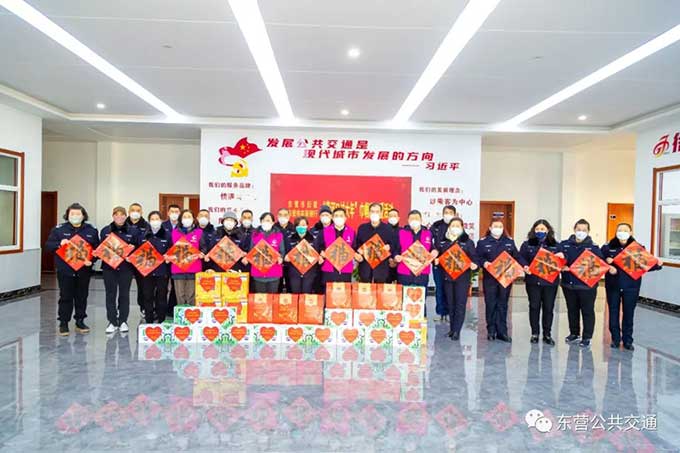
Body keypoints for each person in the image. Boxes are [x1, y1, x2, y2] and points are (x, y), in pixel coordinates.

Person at [601, 223, 663, 351]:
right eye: (620, 230)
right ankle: (615, 339)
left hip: (631, 286)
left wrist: (658, 264)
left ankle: (628, 340)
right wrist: (608, 265)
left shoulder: (637, 248)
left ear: (630, 232)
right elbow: (598, 262)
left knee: (629, 313)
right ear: (616, 232)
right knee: (613, 312)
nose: (622, 232)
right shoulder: (607, 247)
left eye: (625, 230)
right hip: (613, 286)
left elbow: (646, 265)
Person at [45, 203, 100, 336]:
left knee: (82, 296)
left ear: (83, 215)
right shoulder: (58, 230)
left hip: (84, 270)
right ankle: (63, 323)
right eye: (72, 214)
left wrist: (92, 260)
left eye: (78, 214)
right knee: (65, 296)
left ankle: (80, 321)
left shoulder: (91, 230)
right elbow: (48, 246)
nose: (75, 216)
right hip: (65, 270)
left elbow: (97, 250)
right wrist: (60, 244)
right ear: (67, 215)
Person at [560, 219, 605, 348]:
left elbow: (600, 265)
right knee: (572, 310)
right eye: (579, 229)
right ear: (574, 230)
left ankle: (587, 337)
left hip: (587, 286)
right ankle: (574, 333)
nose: (581, 232)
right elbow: (557, 259)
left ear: (588, 231)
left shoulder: (594, 248)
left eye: (584, 230)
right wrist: (562, 265)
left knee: (587, 311)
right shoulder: (564, 245)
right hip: (568, 284)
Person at [477, 218, 523, 343]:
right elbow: (478, 257)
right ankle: (491, 331)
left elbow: (517, 256)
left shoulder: (509, 242)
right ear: (490, 228)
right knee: (490, 304)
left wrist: (522, 266)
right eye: (495, 226)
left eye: (500, 226)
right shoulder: (483, 242)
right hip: (490, 279)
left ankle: (502, 331)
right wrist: (484, 263)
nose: (498, 229)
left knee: (503, 304)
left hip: (505, 278)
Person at [519, 219, 564, 346]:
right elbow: (520, 257)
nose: (540, 231)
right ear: (533, 230)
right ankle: (535, 333)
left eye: (542, 229)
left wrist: (562, 257)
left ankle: (547, 334)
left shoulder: (556, 245)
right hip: (533, 281)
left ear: (548, 230)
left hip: (550, 283)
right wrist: (525, 266)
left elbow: (563, 260)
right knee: (534, 307)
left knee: (548, 308)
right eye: (537, 229)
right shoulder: (527, 244)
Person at [434, 217, 478, 340]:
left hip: (462, 278)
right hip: (447, 277)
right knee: (450, 303)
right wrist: (436, 261)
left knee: (460, 303)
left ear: (462, 227)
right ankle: (452, 329)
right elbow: (439, 256)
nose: (455, 228)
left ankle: (457, 331)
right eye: (453, 225)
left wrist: (474, 264)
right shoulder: (443, 242)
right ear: (449, 227)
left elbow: (474, 258)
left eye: (457, 226)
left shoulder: (468, 242)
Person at [100, 206, 141, 334]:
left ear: (125, 216)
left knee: (124, 294)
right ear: (113, 216)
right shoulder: (105, 230)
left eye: (122, 215)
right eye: (116, 215)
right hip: (109, 268)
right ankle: (112, 321)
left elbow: (139, 248)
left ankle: (123, 321)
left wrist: (133, 249)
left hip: (126, 268)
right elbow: (101, 248)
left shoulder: (133, 231)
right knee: (110, 294)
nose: (119, 217)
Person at [138, 211, 171, 323]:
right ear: (149, 221)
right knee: (147, 296)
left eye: (157, 219)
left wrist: (168, 256)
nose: (155, 221)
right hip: (147, 271)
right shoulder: (143, 235)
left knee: (161, 296)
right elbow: (138, 252)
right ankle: (149, 320)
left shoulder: (167, 235)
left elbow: (172, 251)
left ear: (161, 220)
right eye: (152, 219)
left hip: (162, 271)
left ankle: (161, 320)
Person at [394, 210, 438, 290]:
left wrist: (434, 251)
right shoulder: (401, 232)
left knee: (421, 296)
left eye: (416, 218)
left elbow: (431, 247)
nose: (414, 221)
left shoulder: (428, 233)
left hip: (422, 273)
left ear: (421, 220)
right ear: (408, 220)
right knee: (404, 296)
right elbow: (396, 250)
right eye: (412, 219)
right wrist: (396, 256)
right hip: (405, 272)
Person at [241, 212, 285, 293]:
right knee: (260, 298)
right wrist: (247, 258)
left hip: (274, 272)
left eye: (268, 220)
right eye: (264, 220)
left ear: (273, 222)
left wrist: (280, 258)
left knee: (272, 298)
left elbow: (282, 252)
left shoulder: (279, 235)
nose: (266, 222)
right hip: (258, 272)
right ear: (261, 222)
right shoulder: (254, 234)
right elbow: (251, 251)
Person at [170, 209, 204, 305]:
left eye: (189, 217)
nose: (187, 219)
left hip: (194, 267)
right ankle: (181, 314)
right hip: (178, 268)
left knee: (191, 296)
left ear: (193, 219)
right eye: (184, 217)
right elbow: (170, 248)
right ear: (181, 219)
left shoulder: (199, 232)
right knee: (180, 295)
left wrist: (202, 253)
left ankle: (191, 314)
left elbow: (204, 247)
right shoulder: (174, 232)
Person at [355, 203, 396, 283]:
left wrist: (389, 247)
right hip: (365, 267)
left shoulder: (388, 228)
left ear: (381, 213)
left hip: (381, 268)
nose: (374, 214)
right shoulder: (362, 228)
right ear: (369, 213)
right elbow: (357, 244)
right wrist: (359, 251)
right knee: (365, 288)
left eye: (377, 211)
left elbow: (393, 245)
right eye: (372, 211)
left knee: (380, 288)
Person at [314, 207, 357, 284]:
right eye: (336, 216)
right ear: (332, 218)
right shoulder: (324, 232)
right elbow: (317, 247)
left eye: (341, 216)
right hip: (328, 269)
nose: (339, 218)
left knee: (344, 291)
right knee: (328, 291)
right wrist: (320, 253)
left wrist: (357, 255)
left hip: (345, 270)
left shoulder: (351, 232)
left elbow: (355, 248)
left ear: (345, 218)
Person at [430, 205, 457, 321]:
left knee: (451, 289)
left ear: (455, 214)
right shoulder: (436, 225)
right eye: (446, 212)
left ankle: (451, 313)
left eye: (450, 213)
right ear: (442, 214)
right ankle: (441, 313)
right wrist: (433, 251)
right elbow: (428, 240)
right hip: (438, 262)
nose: (448, 215)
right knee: (440, 288)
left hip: (452, 263)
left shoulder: (457, 225)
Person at [284, 216, 320, 293]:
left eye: (303, 225)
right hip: (294, 272)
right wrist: (286, 257)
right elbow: (286, 253)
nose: (301, 227)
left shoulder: (314, 238)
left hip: (309, 272)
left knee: (306, 295)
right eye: (298, 225)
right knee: (295, 294)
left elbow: (317, 254)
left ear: (307, 226)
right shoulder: (289, 238)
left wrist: (318, 257)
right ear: (295, 227)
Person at [126, 202, 148, 317]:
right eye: (133, 210)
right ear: (129, 212)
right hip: (125, 261)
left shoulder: (147, 226)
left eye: (138, 210)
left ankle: (143, 307)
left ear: (142, 212)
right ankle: (121, 310)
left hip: (141, 261)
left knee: (143, 286)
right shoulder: (122, 224)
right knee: (124, 287)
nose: (135, 212)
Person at [162, 203, 181, 316]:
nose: (174, 214)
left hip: (178, 260)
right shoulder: (162, 225)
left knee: (175, 287)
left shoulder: (182, 226)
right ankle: (160, 310)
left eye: (176, 212)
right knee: (162, 287)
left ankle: (171, 310)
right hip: (165, 261)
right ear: (168, 213)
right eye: (172, 212)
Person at [276, 207, 296, 292]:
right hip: (276, 262)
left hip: (291, 263)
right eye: (280, 215)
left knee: (291, 287)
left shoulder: (294, 229)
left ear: (289, 216)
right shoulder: (273, 229)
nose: (282, 217)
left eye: (285, 215)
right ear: (277, 216)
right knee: (277, 288)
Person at [387, 208, 401, 283]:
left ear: (398, 218)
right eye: (390, 216)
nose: (393, 218)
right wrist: (389, 259)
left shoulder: (402, 231)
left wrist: (396, 260)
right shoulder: (383, 229)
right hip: (386, 263)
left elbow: (403, 247)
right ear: (388, 218)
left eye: (395, 216)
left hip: (399, 262)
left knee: (399, 287)